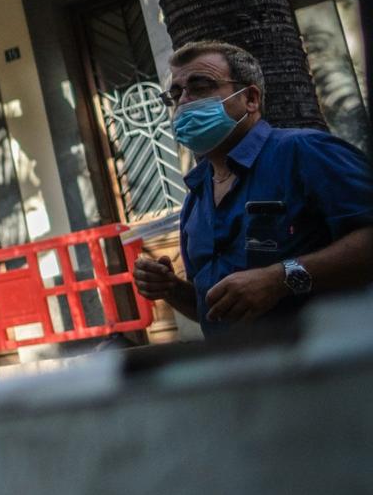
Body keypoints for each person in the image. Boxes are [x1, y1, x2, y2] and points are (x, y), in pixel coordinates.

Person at [133, 39, 373, 334]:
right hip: (248, 374)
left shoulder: (304, 151)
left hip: (333, 367)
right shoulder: (197, 197)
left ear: (250, 98)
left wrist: (280, 278)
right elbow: (214, 310)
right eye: (176, 93)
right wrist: (170, 288)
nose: (184, 101)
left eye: (200, 86)